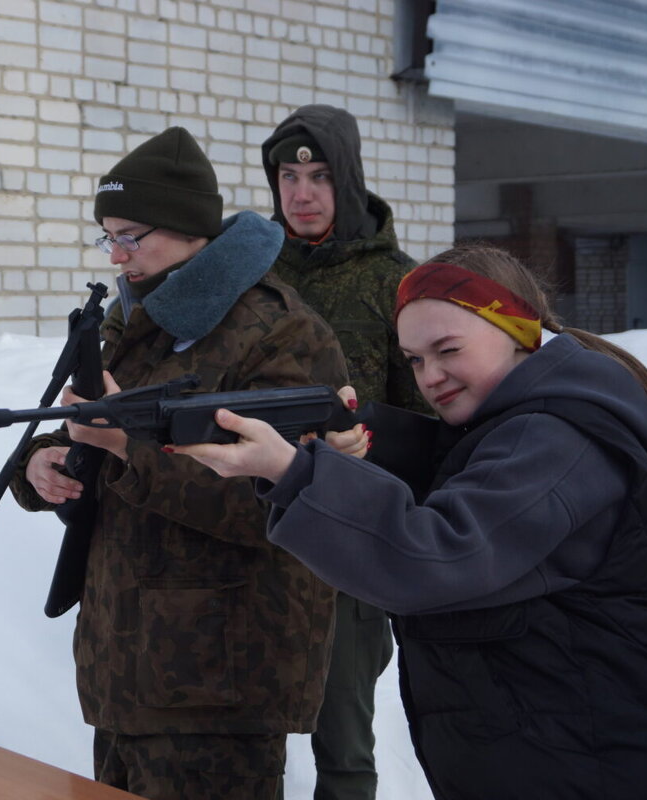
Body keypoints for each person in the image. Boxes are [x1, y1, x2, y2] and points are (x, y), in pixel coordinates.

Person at [171, 245, 647, 799]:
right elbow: (463, 469)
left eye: (447, 349)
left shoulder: (558, 439)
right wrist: (363, 437)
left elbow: (435, 556)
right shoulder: (520, 426)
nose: (431, 375)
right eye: (414, 359)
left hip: (593, 770)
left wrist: (296, 474)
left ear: (520, 329)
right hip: (550, 757)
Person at [9, 127, 352, 800]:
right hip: (128, 666)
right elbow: (81, 424)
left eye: (131, 235)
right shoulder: (131, 320)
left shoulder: (281, 334)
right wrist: (42, 464)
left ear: (191, 228)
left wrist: (123, 450)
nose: (116, 253)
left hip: (220, 679)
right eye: (107, 236)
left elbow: (274, 502)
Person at [261, 103, 431, 800]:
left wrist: (369, 444)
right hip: (252, 541)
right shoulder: (247, 274)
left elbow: (431, 426)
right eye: (288, 175)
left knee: (345, 752)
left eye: (321, 175)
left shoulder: (398, 282)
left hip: (348, 547)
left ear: (349, 180)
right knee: (248, 736)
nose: (301, 193)